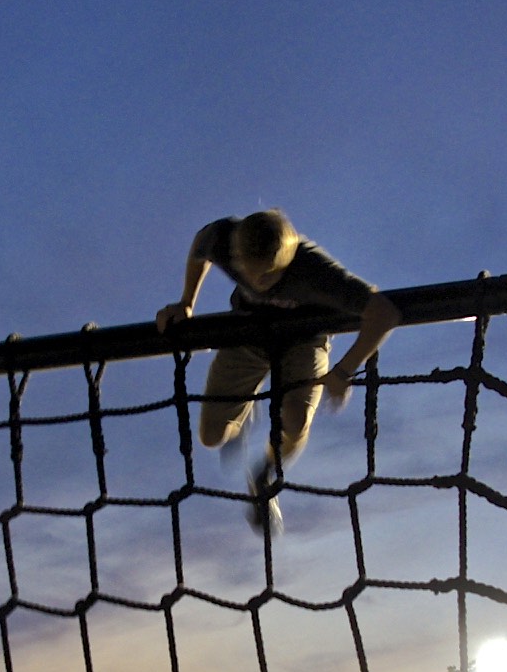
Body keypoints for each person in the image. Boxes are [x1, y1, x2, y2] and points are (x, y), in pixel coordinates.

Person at [154, 209, 401, 534]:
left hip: (305, 339)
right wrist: (186, 302)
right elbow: (201, 246)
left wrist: (344, 371)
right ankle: (244, 415)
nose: (257, 283)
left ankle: (265, 473)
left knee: (294, 419)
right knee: (212, 436)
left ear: (287, 262)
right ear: (238, 254)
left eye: (268, 277)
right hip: (248, 333)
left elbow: (383, 312)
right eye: (247, 272)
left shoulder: (315, 270)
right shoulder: (225, 239)